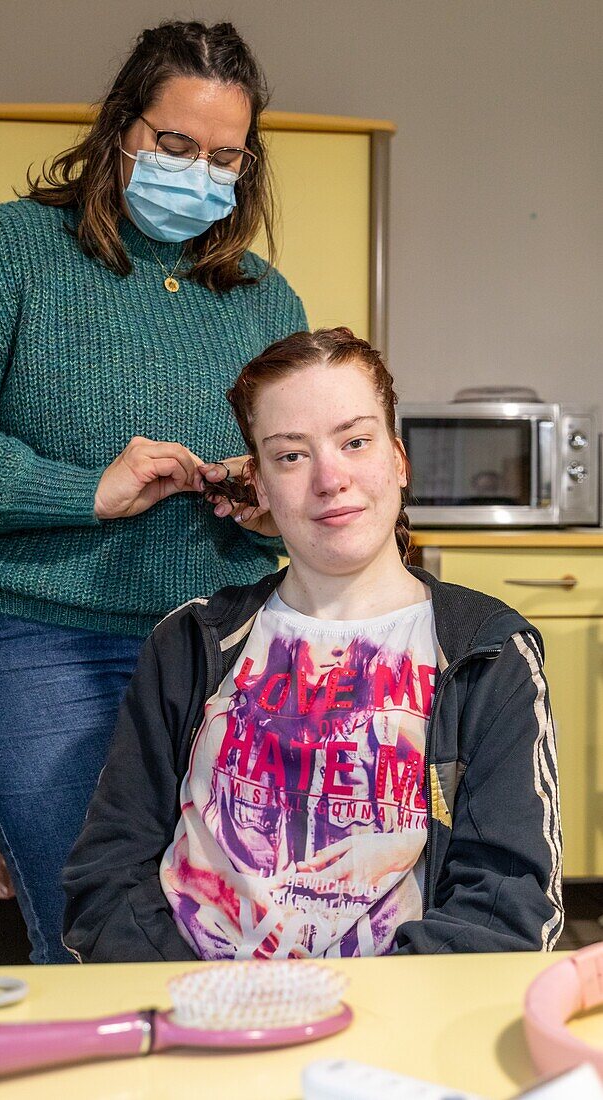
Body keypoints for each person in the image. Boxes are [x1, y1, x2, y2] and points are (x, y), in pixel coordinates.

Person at [0, 21, 306, 964]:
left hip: (220, 642)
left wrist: (266, 497)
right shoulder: (7, 252)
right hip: (41, 638)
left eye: (223, 156)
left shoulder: (265, 298)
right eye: (175, 144)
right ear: (121, 133)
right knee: (90, 933)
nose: (197, 171)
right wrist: (88, 491)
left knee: (219, 931)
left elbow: (295, 465)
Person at [61, 327, 564, 961]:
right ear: (262, 487)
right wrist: (198, 1007)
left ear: (399, 460)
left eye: (356, 441)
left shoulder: (487, 653)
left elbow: (505, 904)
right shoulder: (192, 643)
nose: (330, 478)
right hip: (195, 1020)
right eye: (291, 455)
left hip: (389, 1027)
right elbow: (109, 877)